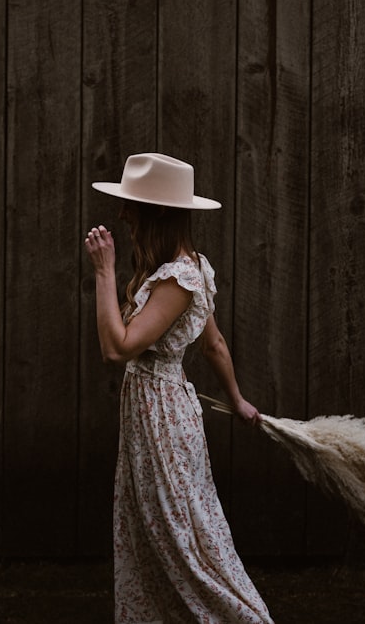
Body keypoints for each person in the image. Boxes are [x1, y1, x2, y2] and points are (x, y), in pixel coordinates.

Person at [84, 153, 273, 624]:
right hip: (159, 415)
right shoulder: (188, 268)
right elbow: (215, 345)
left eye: (133, 205)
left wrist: (104, 273)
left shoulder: (181, 278)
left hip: (162, 419)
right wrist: (238, 401)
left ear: (158, 212)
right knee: (159, 535)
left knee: (184, 542)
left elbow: (117, 348)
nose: (124, 214)